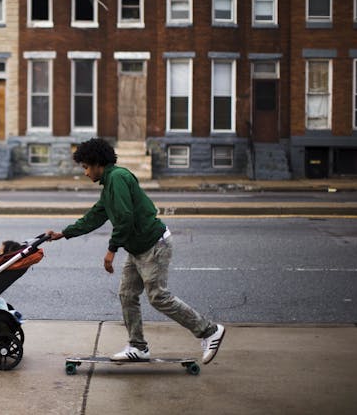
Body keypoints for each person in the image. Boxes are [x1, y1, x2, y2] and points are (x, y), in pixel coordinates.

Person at [47, 138, 225, 364]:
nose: (84, 173)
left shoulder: (118, 178)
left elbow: (125, 218)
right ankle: (138, 346)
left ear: (96, 163)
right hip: (138, 248)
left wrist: (111, 250)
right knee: (127, 295)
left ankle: (209, 331)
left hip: (153, 245)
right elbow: (95, 216)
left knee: (158, 297)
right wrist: (64, 233)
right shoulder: (109, 183)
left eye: (84, 167)